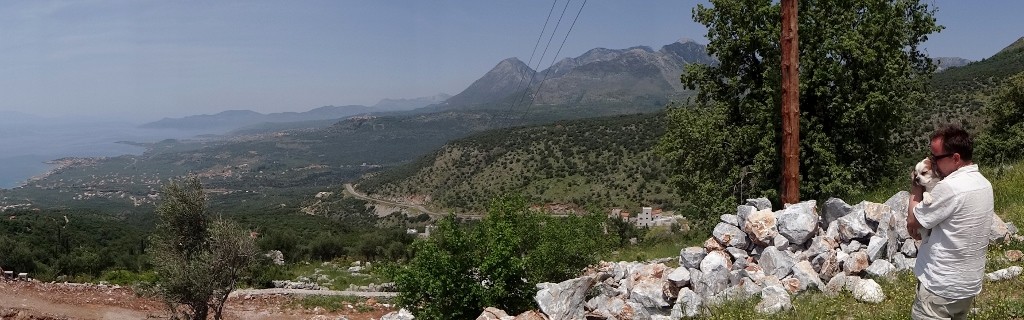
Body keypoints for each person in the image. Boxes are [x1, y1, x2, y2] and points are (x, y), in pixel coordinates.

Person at [907, 124, 994, 320]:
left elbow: (913, 222)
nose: (933, 163)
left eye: (936, 158)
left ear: (955, 158)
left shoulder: (949, 188)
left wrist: (915, 189)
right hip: (968, 285)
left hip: (940, 287)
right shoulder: (984, 184)